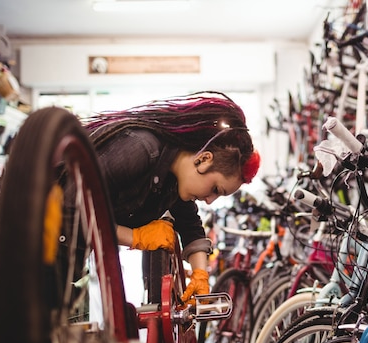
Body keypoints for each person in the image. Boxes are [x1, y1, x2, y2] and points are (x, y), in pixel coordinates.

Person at [82, 90, 260, 304]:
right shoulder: (140, 151)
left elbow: (190, 226)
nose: (210, 200)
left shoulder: (172, 180)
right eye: (215, 189)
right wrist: (134, 237)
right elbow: (74, 209)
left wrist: (200, 274)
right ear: (204, 159)